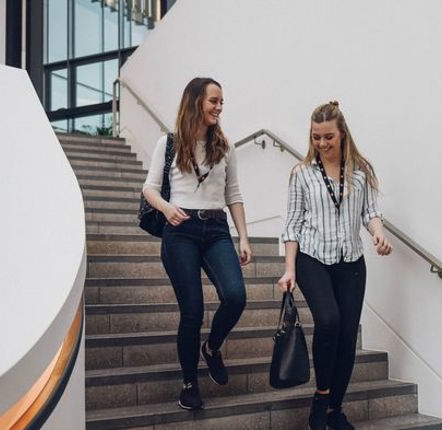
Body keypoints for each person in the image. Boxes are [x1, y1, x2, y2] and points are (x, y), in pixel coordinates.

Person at [278, 101, 392, 430]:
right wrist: (289, 268)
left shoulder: (360, 170)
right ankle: (321, 395)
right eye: (316, 137)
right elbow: (292, 224)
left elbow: (370, 212)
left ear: (342, 134)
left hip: (351, 262)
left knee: (346, 336)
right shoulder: (301, 174)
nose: (322, 144)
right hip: (312, 257)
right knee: (328, 320)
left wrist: (378, 235)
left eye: (328, 136)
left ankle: (335, 410)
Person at [142, 77, 251, 410]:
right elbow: (149, 188)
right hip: (181, 232)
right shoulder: (170, 143)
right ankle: (189, 383)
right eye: (213, 101)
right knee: (192, 311)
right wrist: (166, 207)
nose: (219, 107)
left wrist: (243, 236)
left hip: (216, 229)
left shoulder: (225, 147)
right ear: (195, 102)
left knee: (236, 296)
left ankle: (212, 348)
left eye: (221, 102)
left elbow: (233, 194)